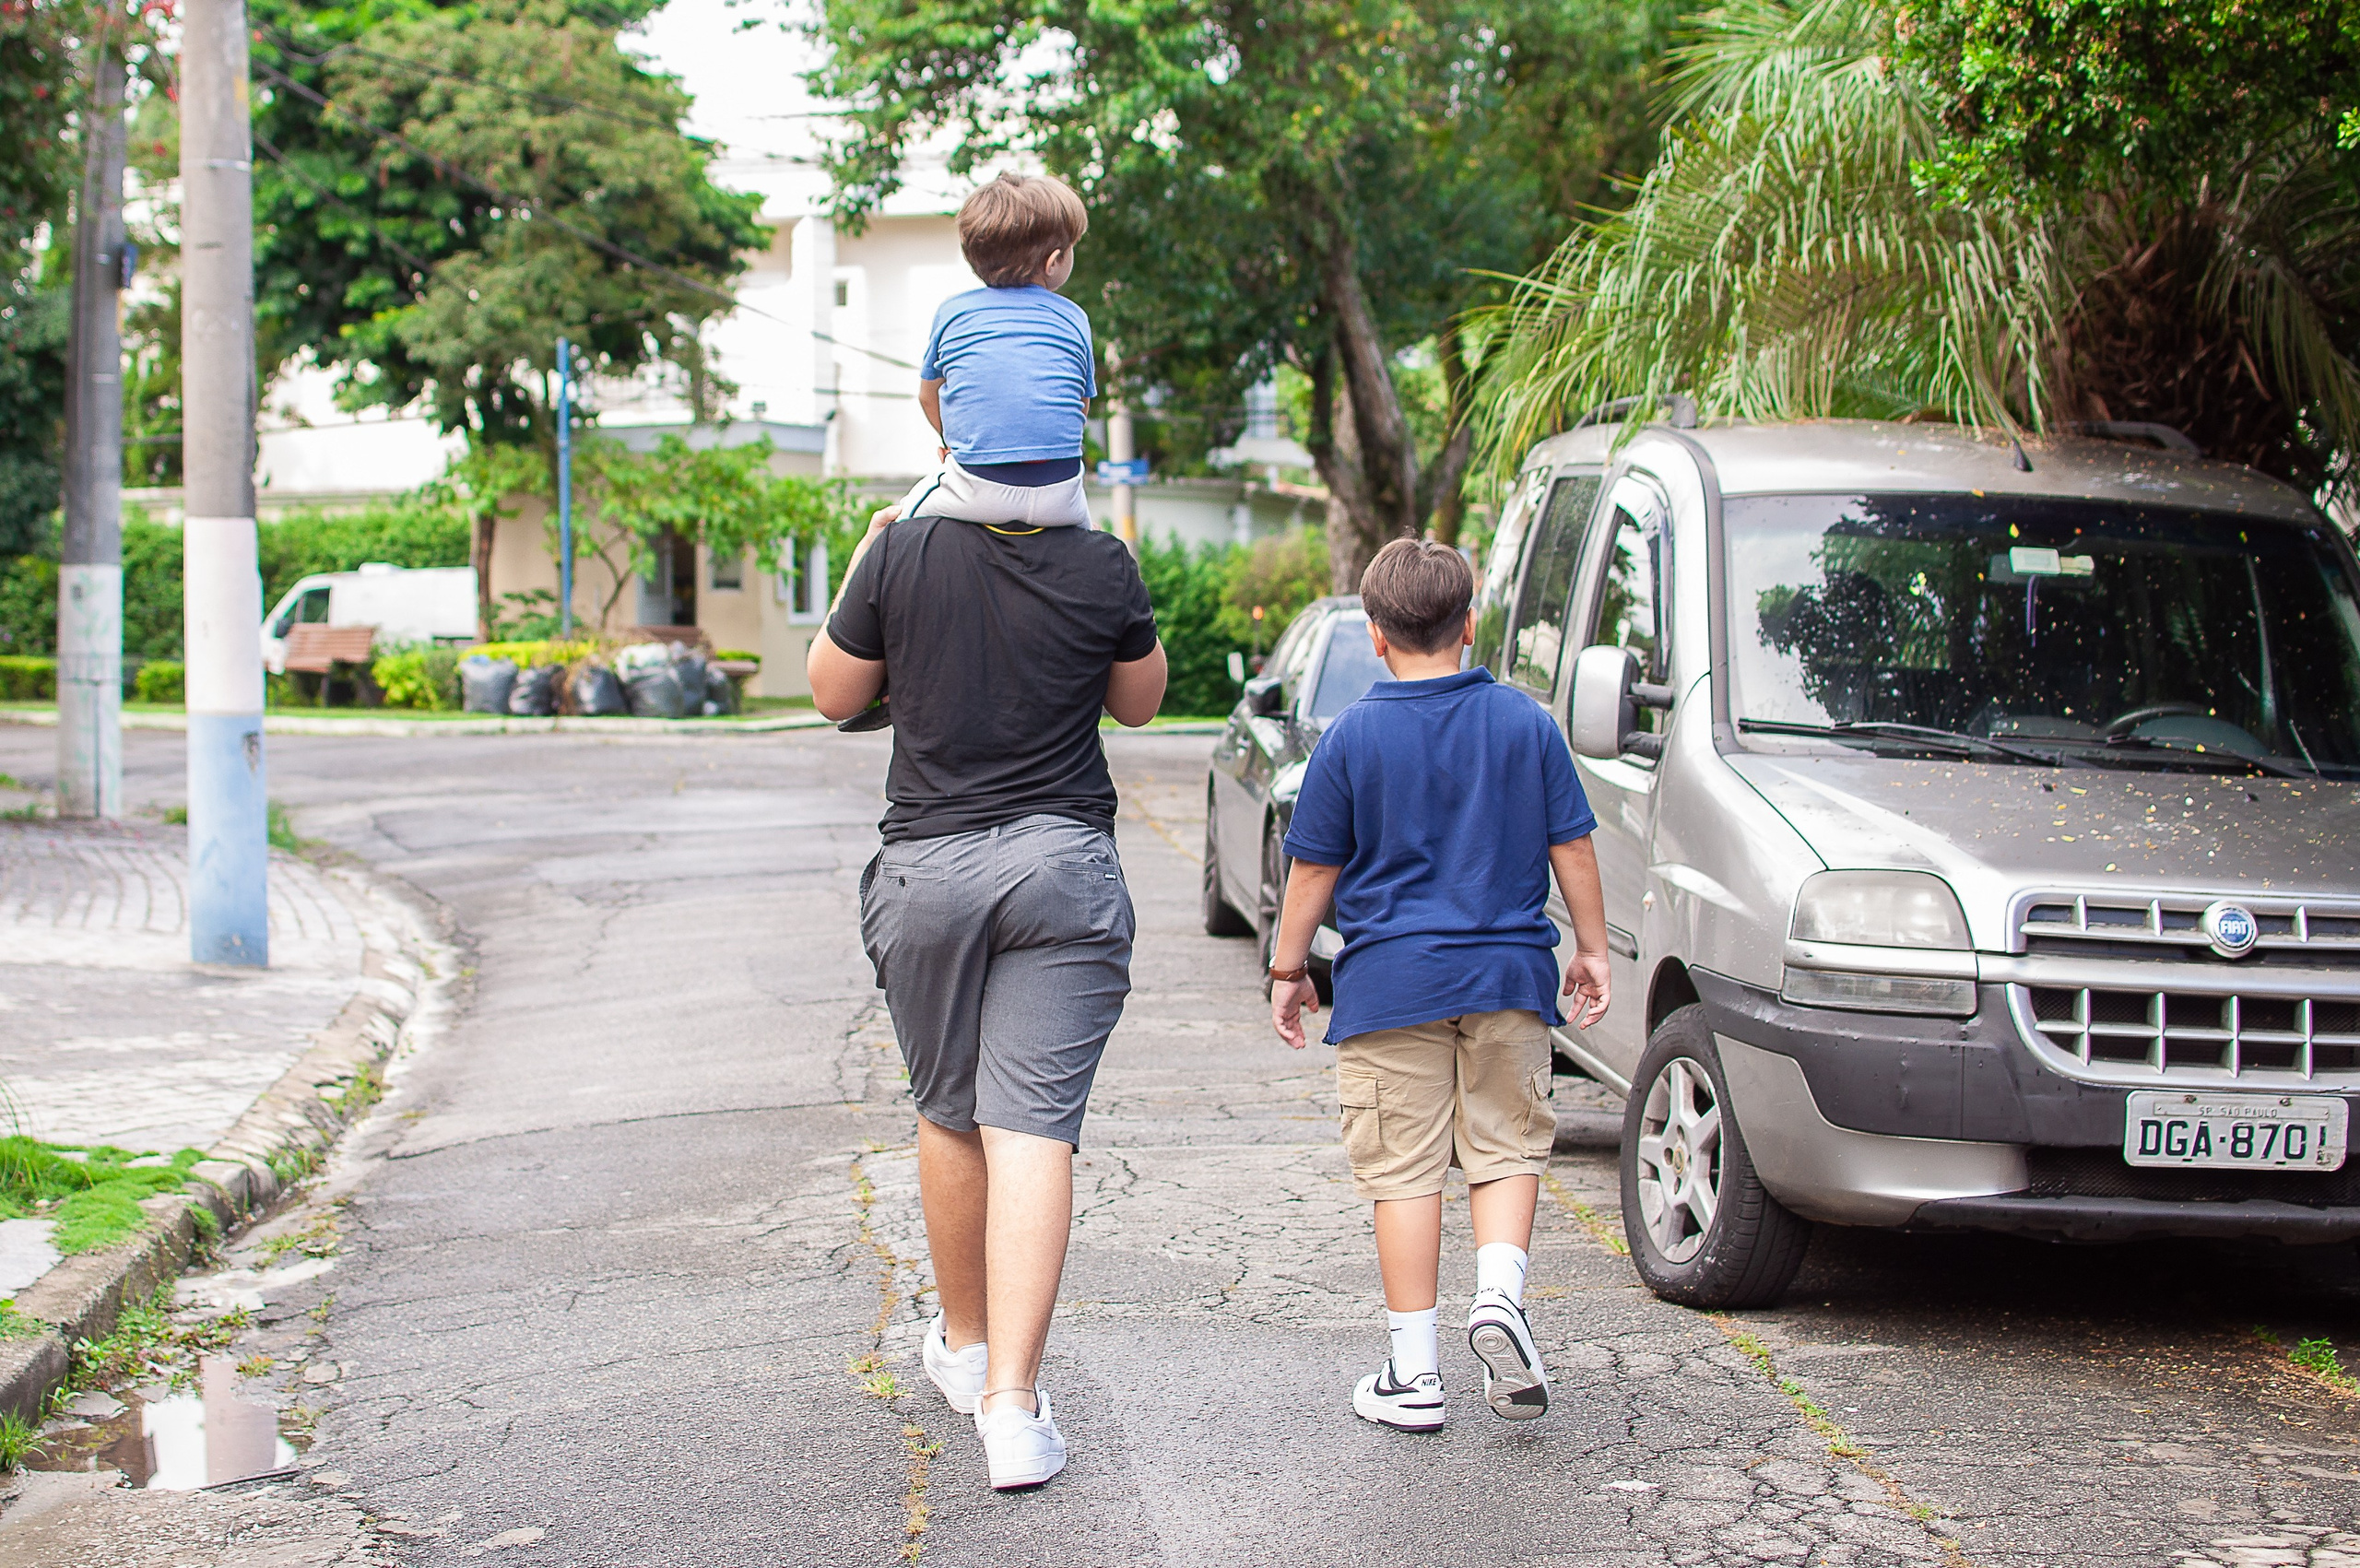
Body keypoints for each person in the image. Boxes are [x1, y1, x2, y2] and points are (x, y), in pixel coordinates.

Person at [806, 402, 1168, 1489]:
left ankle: (964, 1351)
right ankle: (1013, 1404)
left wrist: (868, 562)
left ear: (948, 444)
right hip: (1062, 864)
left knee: (948, 1111)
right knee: (1035, 1132)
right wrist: (1111, 601)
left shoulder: (900, 549)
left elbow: (832, 695)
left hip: (931, 871)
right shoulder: (1104, 560)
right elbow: (1142, 704)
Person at [1265, 537, 1611, 1432]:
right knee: (1505, 1148)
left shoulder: (1349, 737)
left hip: (1390, 986)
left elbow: (1310, 872)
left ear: (1375, 637)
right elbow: (1570, 844)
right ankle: (1498, 1295)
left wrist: (1288, 968)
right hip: (1507, 976)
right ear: (1468, 624)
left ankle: (1413, 1377)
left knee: (1404, 1172)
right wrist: (1593, 949)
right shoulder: (1525, 723)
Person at [877, 171, 1098, 534]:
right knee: (1090, 533)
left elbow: (927, 396)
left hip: (977, 487)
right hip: (1061, 493)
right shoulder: (1075, 317)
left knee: (897, 523)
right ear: (1054, 261)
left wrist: (954, 446)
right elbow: (1081, 408)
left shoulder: (953, 313)